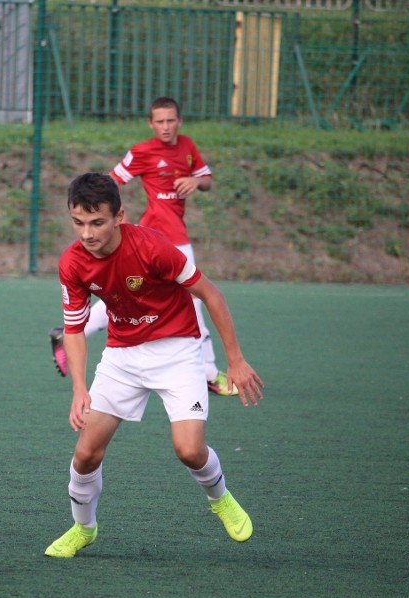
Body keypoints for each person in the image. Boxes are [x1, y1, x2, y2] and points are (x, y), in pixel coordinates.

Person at [44, 173, 262, 559]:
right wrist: (80, 387)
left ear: (120, 217)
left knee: (189, 450)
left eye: (97, 222)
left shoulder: (152, 247)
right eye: (78, 222)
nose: (87, 233)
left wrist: (236, 359)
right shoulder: (72, 263)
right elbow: (74, 329)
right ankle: (83, 528)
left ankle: (221, 499)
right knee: (86, 454)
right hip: (122, 356)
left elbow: (210, 294)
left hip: (177, 350)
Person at [49, 96, 235, 397]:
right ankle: (210, 373)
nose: (165, 126)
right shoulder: (142, 152)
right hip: (158, 236)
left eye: (170, 120)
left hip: (176, 233)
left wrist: (194, 181)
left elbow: (208, 180)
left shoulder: (187, 147)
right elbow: (110, 182)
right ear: (150, 124)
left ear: (179, 121)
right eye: (159, 121)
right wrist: (108, 220)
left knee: (122, 294)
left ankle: (69, 332)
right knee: (196, 299)